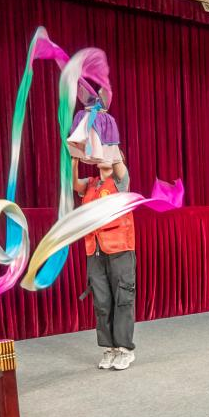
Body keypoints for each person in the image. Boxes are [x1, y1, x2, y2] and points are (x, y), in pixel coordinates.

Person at [71, 90, 137, 371]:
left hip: (120, 248)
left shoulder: (120, 181)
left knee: (123, 297)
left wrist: (107, 134)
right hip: (95, 249)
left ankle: (125, 349)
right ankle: (109, 348)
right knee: (102, 299)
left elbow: (118, 164)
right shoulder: (91, 184)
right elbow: (74, 183)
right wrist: (76, 155)